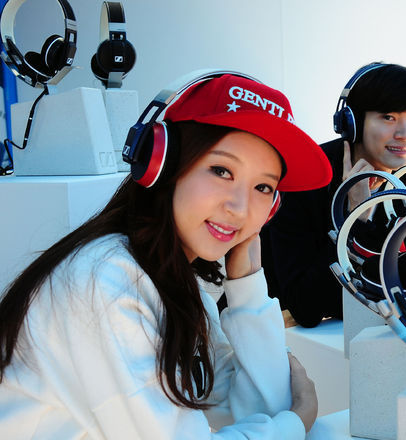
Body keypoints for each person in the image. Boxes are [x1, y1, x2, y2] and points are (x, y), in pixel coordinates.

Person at [0, 71, 332, 439]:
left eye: (263, 187)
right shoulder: (104, 283)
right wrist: (295, 422)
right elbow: (275, 419)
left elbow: (259, 410)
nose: (240, 208)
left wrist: (248, 285)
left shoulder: (179, 287)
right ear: (161, 163)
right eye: (221, 170)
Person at [261, 62, 406, 328]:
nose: (405, 135)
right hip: (274, 327)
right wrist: (355, 218)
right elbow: (304, 306)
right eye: (389, 117)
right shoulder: (304, 177)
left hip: (358, 325)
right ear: (352, 121)